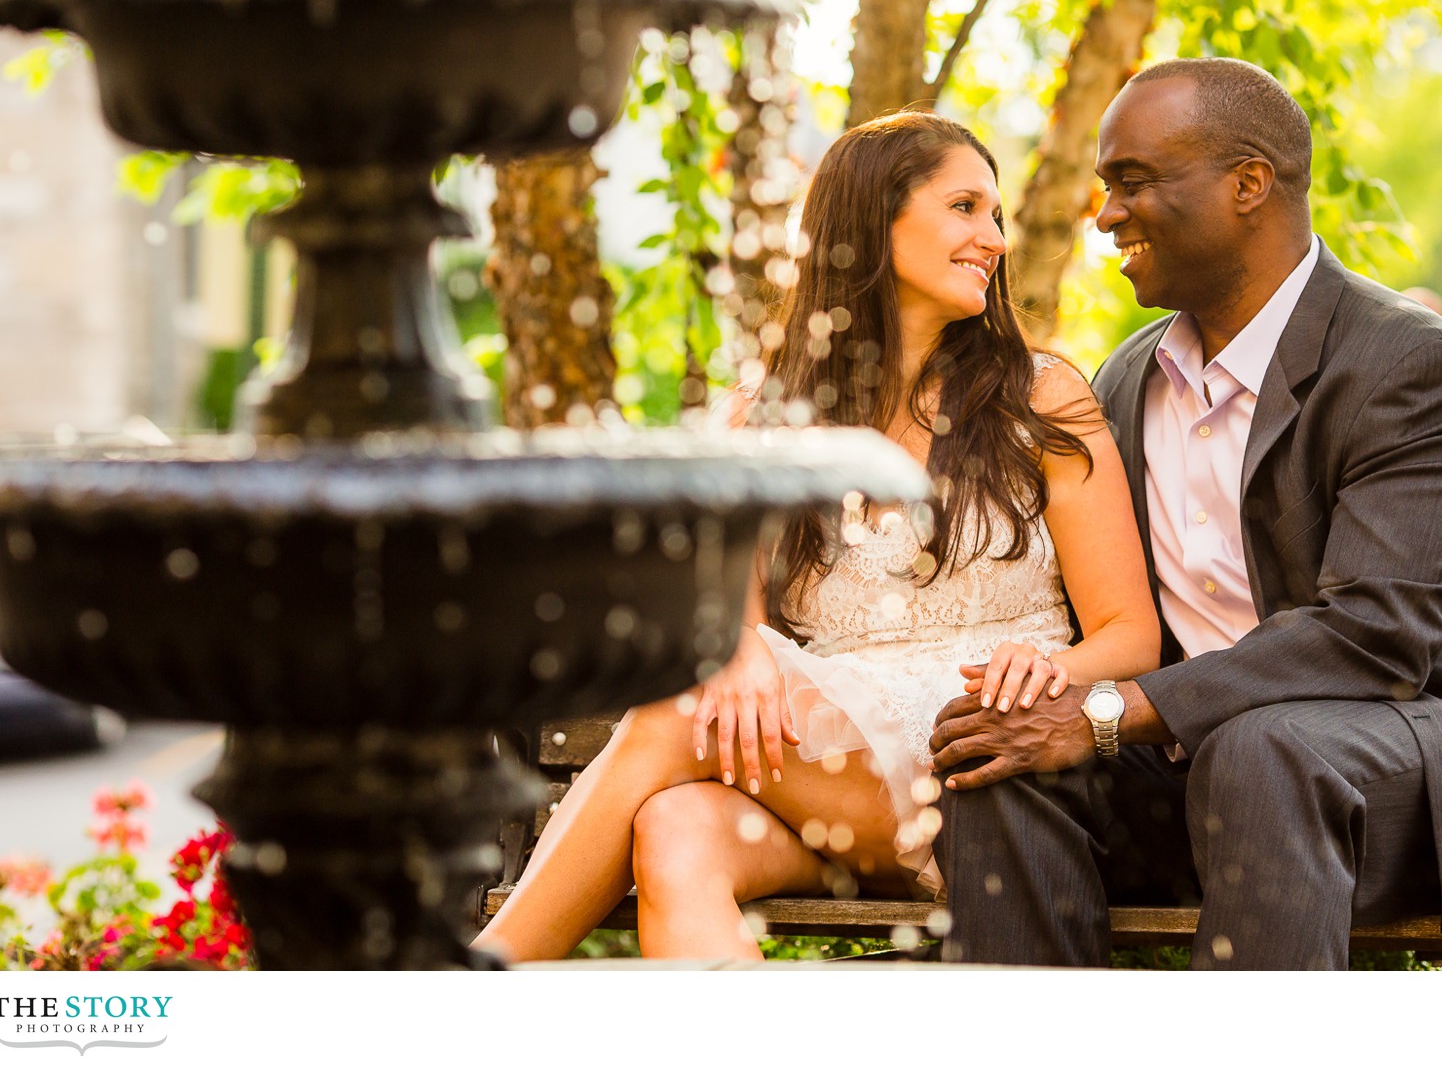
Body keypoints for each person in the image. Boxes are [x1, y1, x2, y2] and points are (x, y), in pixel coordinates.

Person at [928, 58, 1442, 970]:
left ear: (1249, 184)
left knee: (1263, 751)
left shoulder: (1411, 368)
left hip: (1440, 770)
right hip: (1214, 777)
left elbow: (1373, 637)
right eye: (1102, 187)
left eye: (1132, 182)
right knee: (996, 769)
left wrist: (1102, 712)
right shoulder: (1126, 381)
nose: (1105, 215)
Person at [473, 111, 1161, 962]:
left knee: (670, 713)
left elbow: (1133, 636)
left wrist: (1055, 669)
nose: (991, 237)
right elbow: (719, 602)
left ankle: (466, 995)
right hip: (823, 783)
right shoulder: (766, 413)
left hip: (976, 776)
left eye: (996, 216)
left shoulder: (1040, 397)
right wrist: (732, 645)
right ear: (877, 217)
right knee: (676, 828)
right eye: (964, 207)